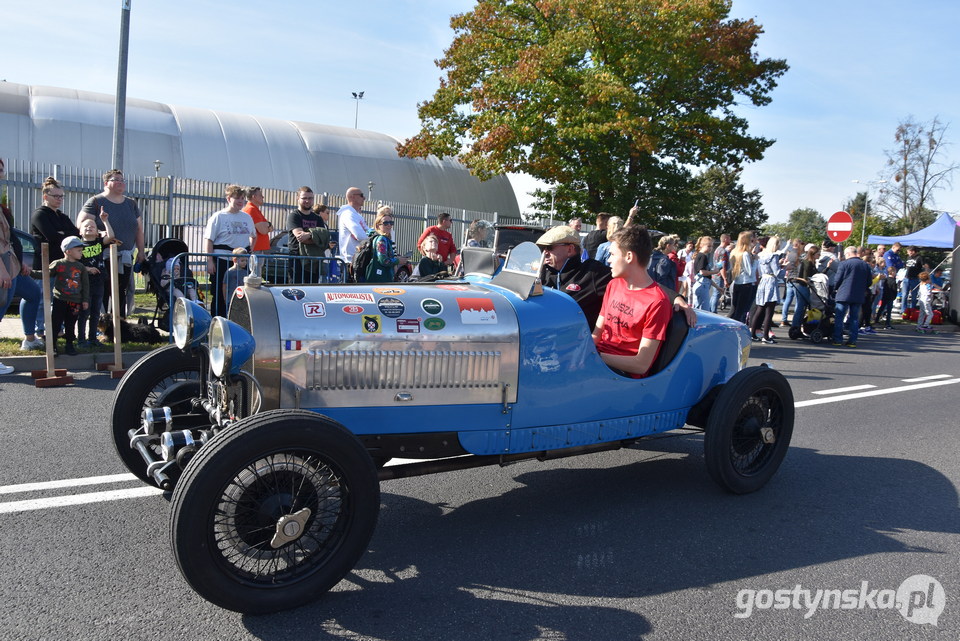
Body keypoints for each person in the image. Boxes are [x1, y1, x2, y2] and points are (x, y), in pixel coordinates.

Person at [592, 225, 673, 378]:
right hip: (599, 363)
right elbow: (597, 335)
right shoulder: (614, 285)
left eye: (612, 255)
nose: (608, 260)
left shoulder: (657, 302)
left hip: (623, 376)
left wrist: (594, 357)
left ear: (629, 257)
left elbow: (641, 364)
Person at [77, 169, 145, 317]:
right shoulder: (95, 202)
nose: (120, 182)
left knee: (122, 289)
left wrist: (141, 251)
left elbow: (139, 229)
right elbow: (81, 225)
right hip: (103, 255)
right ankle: (103, 322)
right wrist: (100, 234)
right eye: (116, 179)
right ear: (106, 183)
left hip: (126, 256)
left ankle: (119, 323)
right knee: (106, 289)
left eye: (122, 180)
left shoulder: (131, 204)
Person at [0, 162, 43, 356]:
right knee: (1, 308)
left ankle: (30, 339)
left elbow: (11, 236)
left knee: (33, 292)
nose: (2, 173)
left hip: (11, 261)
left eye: (2, 169)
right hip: (2, 264)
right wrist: (2, 270)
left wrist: (19, 261)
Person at [536, 225, 612, 329]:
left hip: (579, 340)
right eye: (542, 248)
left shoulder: (592, 272)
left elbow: (623, 286)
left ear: (570, 249)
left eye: (549, 247)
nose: (545, 253)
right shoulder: (543, 273)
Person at [204, 184, 254, 316]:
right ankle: (218, 323)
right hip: (221, 260)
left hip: (241, 262)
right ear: (228, 198)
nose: (240, 201)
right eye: (237, 198)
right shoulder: (218, 217)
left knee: (243, 293)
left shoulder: (247, 217)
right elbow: (209, 239)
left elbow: (253, 236)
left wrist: (249, 253)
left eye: (242, 198)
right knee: (220, 294)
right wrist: (210, 261)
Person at [76, 209, 117, 348]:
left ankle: (92, 338)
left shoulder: (99, 243)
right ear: (80, 232)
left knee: (95, 313)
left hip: (99, 282)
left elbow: (111, 236)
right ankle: (81, 339)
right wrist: (86, 269)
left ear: (96, 231)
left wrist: (105, 221)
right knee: (84, 313)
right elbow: (75, 263)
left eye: (92, 226)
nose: (89, 227)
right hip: (85, 284)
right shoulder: (78, 245)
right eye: (85, 226)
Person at [46, 236, 90, 356]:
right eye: (79, 250)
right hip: (60, 299)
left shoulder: (80, 267)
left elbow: (85, 285)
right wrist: (31, 272)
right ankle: (53, 345)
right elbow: (46, 274)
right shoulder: (58, 264)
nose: (81, 253)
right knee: (56, 323)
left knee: (71, 324)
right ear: (68, 251)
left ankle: (69, 345)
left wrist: (85, 300)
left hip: (75, 301)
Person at [831, 246, 873, 348]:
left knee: (839, 317)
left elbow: (838, 279)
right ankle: (852, 341)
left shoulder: (844, 264)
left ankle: (838, 339)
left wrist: (834, 289)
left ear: (848, 254)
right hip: (858, 295)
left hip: (844, 294)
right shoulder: (865, 265)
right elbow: (869, 282)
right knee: (854, 318)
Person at [286, 186, 325, 283]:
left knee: (312, 290)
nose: (307, 201)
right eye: (304, 198)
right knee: (296, 290)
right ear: (298, 198)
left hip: (313, 259)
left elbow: (323, 238)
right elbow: (300, 237)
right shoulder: (294, 216)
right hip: (297, 258)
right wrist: (315, 236)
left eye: (310, 198)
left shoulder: (318, 218)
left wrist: (309, 235)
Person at [749, 236, 782, 343]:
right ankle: (766, 336)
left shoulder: (761, 255)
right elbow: (777, 272)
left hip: (763, 280)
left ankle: (753, 333)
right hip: (771, 281)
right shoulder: (773, 256)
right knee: (769, 311)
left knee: (759, 309)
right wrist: (785, 268)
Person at [365, 206, 406, 282]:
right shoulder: (381, 239)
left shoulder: (386, 239)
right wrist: (397, 261)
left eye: (391, 223)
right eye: (385, 223)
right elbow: (383, 260)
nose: (389, 225)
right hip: (379, 279)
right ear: (378, 225)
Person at [336, 186, 371, 273]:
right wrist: (373, 240)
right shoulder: (348, 214)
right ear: (352, 196)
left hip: (359, 258)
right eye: (361, 195)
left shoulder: (356, 214)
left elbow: (367, 231)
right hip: (351, 260)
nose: (364, 198)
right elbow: (360, 235)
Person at [728, 231, 757, 324]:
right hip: (746, 283)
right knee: (741, 311)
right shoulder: (745, 254)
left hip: (737, 282)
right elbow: (750, 272)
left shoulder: (734, 252)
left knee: (736, 310)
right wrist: (756, 261)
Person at [790, 244, 820, 330]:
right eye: (818, 254)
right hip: (803, 286)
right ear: (813, 254)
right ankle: (795, 326)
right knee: (801, 307)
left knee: (802, 307)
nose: (819, 255)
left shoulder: (811, 262)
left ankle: (798, 326)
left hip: (804, 286)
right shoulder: (808, 263)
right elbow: (806, 277)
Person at [690, 236, 720, 311]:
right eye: (708, 246)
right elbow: (702, 272)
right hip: (702, 284)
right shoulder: (702, 256)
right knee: (704, 309)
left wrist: (717, 287)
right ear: (701, 245)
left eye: (712, 246)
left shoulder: (701, 256)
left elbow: (707, 277)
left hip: (702, 283)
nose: (711, 248)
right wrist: (715, 272)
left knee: (700, 308)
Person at [778, 238, 802, 326]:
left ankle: (783, 319)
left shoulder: (790, 253)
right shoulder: (798, 254)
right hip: (796, 278)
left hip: (789, 278)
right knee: (798, 300)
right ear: (798, 244)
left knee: (788, 299)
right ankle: (796, 320)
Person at [242, 186, 273, 255]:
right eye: (261, 195)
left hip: (257, 249)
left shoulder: (255, 209)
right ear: (254, 197)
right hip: (255, 249)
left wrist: (268, 225)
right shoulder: (251, 209)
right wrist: (268, 224)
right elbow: (263, 231)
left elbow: (269, 228)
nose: (263, 197)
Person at [710, 233, 732, 313]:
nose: (730, 240)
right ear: (725, 239)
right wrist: (725, 279)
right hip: (719, 275)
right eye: (729, 239)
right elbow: (722, 267)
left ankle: (711, 310)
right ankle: (713, 311)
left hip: (715, 274)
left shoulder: (718, 249)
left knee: (714, 294)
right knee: (717, 294)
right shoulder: (723, 251)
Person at [901, 246, 923, 311]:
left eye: (909, 251)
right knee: (904, 294)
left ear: (913, 251)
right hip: (907, 278)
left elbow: (923, 266)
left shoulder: (919, 258)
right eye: (908, 251)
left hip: (915, 278)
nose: (908, 253)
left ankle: (912, 309)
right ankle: (903, 310)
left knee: (914, 295)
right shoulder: (908, 257)